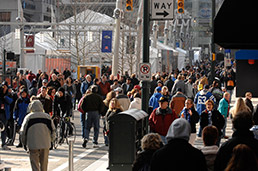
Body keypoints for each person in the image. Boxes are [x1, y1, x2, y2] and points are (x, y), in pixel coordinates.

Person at [20, 100, 55, 171]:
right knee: (44, 165)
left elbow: (22, 132)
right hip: (45, 144)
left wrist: (24, 143)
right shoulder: (47, 117)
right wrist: (51, 141)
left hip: (33, 144)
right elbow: (53, 130)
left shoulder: (28, 117)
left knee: (34, 165)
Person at [0, 82, 13, 150]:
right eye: (3, 87)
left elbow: (11, 101)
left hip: (5, 113)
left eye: (5, 87)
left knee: (4, 129)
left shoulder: (8, 94)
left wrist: (5, 97)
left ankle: (4, 143)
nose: (4, 88)